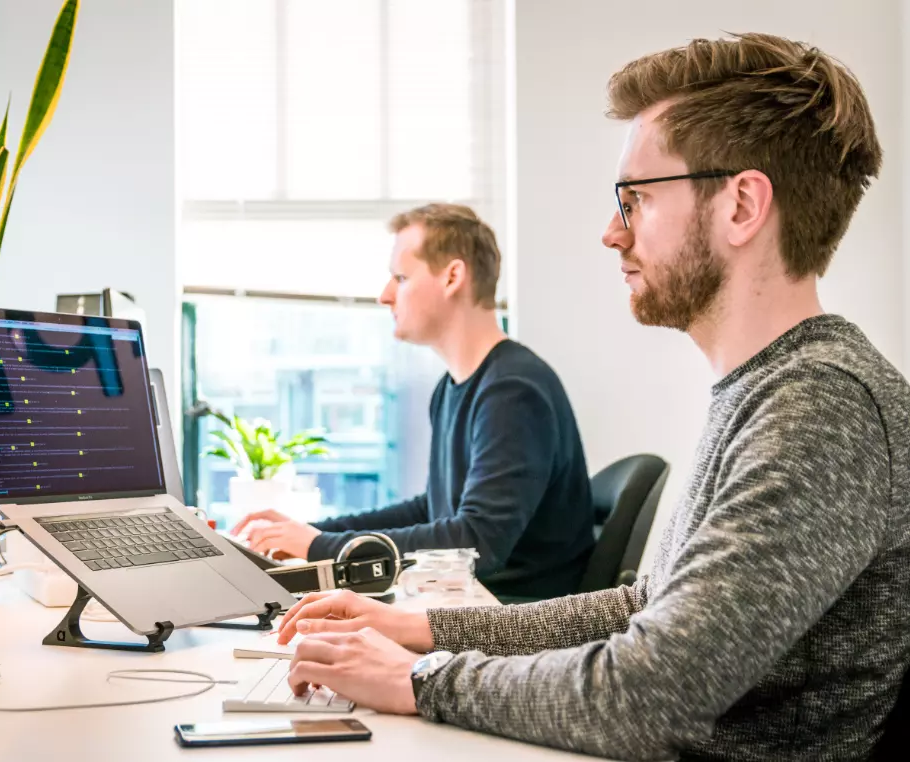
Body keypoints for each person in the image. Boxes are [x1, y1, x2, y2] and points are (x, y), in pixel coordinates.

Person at [270, 33, 910, 760]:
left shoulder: (820, 406)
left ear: (740, 206)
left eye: (635, 199)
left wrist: (421, 678)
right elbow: (644, 610)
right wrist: (422, 630)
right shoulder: (766, 390)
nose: (611, 233)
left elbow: (648, 693)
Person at [232, 204, 595, 600]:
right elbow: (433, 510)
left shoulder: (513, 391)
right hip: (470, 602)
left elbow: (477, 544)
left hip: (511, 618)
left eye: (401, 277)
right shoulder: (454, 388)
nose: (385, 295)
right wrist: (316, 533)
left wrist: (320, 547)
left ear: (452, 277)